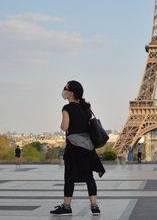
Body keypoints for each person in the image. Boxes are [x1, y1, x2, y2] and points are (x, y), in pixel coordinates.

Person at [50, 81, 105, 216]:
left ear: (71, 92)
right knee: (89, 177)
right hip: (87, 146)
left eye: (66, 88)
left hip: (74, 147)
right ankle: (94, 206)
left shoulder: (67, 108)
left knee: (69, 177)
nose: (64, 90)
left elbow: (64, 127)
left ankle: (67, 207)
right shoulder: (86, 108)